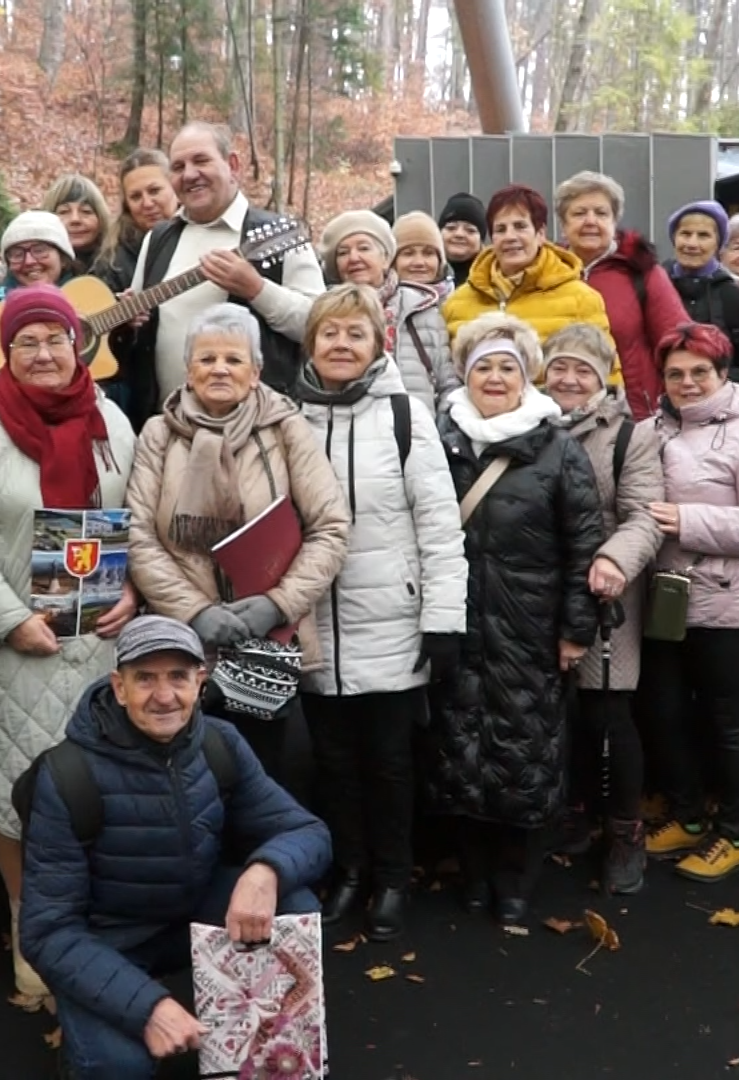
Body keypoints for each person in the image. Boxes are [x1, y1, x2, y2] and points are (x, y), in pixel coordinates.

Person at [0, 284, 138, 1002]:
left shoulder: (111, 419)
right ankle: (29, 923)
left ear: (80, 345)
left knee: (96, 783)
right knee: (19, 788)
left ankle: (90, 919)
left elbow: (134, 516)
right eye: (28, 342)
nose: (46, 353)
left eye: (57, 338)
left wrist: (133, 590)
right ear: (6, 351)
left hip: (96, 639)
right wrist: (11, 617)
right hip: (11, 642)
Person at [20, 616, 331, 1080]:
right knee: (117, 1066)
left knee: (290, 901)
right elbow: (47, 931)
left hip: (194, 913)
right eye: (145, 678)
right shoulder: (66, 775)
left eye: (178, 677)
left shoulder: (218, 742)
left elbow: (309, 832)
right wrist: (149, 1007)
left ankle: (268, 1048)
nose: (164, 696)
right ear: (118, 687)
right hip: (109, 939)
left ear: (199, 683)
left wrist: (263, 871)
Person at [293, 285, 467, 939]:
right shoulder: (289, 417)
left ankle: (395, 877)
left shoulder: (404, 416)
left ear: (377, 343)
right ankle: (350, 871)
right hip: (313, 626)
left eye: (354, 333)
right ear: (311, 342)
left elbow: (439, 525)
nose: (341, 344)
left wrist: (444, 618)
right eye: (329, 332)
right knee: (332, 761)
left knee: (391, 762)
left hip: (391, 619)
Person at [430, 313, 604, 925]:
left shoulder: (557, 449)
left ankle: (516, 880)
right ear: (465, 375)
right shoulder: (439, 440)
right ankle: (474, 875)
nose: (495, 377)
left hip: (530, 630)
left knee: (527, 755)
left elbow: (586, 543)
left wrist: (576, 628)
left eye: (507, 367)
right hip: (456, 625)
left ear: (526, 375)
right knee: (459, 751)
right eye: (484, 367)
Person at [125, 303, 350, 774]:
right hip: (184, 641)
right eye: (206, 360)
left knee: (263, 777)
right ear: (188, 371)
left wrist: (279, 603)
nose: (219, 369)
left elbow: (330, 526)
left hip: (266, 637)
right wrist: (195, 611)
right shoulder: (159, 433)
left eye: (233, 359)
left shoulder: (286, 427)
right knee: (189, 777)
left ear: (256, 371)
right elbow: (139, 535)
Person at [638, 323, 739, 883]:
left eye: (699, 372)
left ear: (723, 373)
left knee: (729, 721)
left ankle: (733, 833)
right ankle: (686, 813)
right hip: (667, 601)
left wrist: (687, 521)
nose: (687, 383)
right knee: (664, 711)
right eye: (675, 373)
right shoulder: (649, 430)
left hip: (737, 605)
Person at [540, 323, 664, 896]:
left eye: (582, 370)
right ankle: (573, 810)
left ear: (604, 377)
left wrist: (615, 559)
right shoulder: (527, 423)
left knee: (608, 716)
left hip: (605, 593)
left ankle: (624, 830)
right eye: (559, 367)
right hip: (536, 591)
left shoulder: (629, 436)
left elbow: (645, 515)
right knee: (553, 716)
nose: (568, 379)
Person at [123, 122, 325, 427]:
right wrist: (128, 321)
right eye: (178, 167)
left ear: (232, 165)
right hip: (168, 428)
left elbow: (318, 326)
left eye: (201, 161)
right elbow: (140, 323)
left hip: (257, 432)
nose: (190, 174)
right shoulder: (159, 238)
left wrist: (257, 289)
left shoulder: (278, 235)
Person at [549, 172, 690, 422]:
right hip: (555, 415)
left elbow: (677, 341)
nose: (590, 221)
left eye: (601, 213)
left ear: (615, 221)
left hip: (632, 417)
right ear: (562, 223)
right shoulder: (547, 272)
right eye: (579, 213)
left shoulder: (642, 272)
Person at [442, 184, 611, 354]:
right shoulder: (456, 303)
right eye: (501, 229)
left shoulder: (582, 300)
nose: (510, 237)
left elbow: (607, 374)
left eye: (520, 226)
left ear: (541, 234)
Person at [320, 209, 457, 409]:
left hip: (419, 432)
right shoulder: (322, 313)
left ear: (386, 259)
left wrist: (439, 428)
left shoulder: (421, 308)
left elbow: (448, 384)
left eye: (364, 248)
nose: (354, 258)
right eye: (343, 253)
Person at [664, 200, 739, 383]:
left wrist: (711, 380)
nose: (692, 243)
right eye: (685, 234)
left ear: (718, 244)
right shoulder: (654, 290)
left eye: (703, 235)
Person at [42, 172, 132, 291]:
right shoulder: (34, 264)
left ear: (101, 218)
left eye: (86, 211)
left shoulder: (121, 263)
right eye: (64, 212)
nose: (75, 219)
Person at [0, 210, 79, 301]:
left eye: (39, 251)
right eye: (17, 254)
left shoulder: (88, 298)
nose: (29, 261)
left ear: (63, 258)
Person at [116, 149, 179, 273]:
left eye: (154, 191)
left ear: (175, 189)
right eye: (136, 196)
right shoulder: (114, 262)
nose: (147, 203)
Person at [437, 191, 487, 287]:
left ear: (481, 239)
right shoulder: (423, 273)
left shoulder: (495, 277)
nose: (459, 234)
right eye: (451, 228)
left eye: (470, 230)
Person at [392, 211, 450, 288]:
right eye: (408, 253)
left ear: (440, 261)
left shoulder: (459, 298)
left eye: (428, 253)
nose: (419, 262)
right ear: (393, 262)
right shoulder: (374, 299)